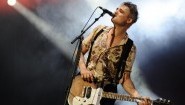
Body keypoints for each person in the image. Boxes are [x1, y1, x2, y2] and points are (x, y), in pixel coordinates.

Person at [72, 1, 151, 105]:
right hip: (82, 85)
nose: (116, 12)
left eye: (121, 11)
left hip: (106, 94)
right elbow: (79, 51)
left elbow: (125, 78)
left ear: (129, 20)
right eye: (117, 9)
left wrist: (138, 97)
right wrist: (83, 69)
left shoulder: (130, 47)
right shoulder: (99, 30)